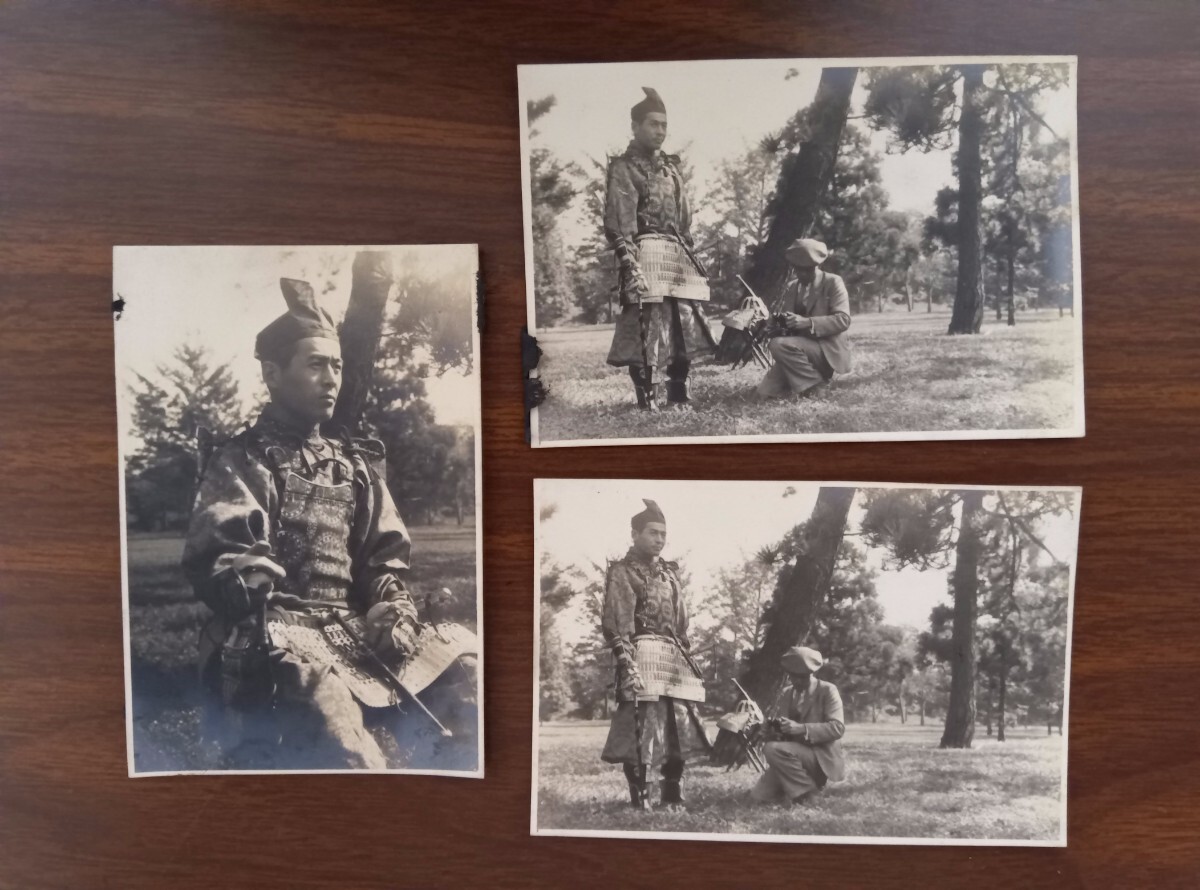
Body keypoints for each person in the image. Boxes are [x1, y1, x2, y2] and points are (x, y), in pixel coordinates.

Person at [183, 277, 421, 770]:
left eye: (336, 365)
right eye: (316, 365)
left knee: (470, 677)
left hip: (353, 630)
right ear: (272, 373)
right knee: (341, 734)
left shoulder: (353, 466)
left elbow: (382, 557)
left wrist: (389, 608)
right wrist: (250, 573)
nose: (332, 379)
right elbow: (221, 558)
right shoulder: (242, 459)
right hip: (275, 635)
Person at [604, 87, 716, 411]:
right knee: (646, 325)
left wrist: (689, 254)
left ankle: (678, 394)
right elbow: (619, 221)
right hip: (645, 252)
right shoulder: (624, 168)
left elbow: (684, 219)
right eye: (653, 124)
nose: (660, 131)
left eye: (664, 125)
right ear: (635, 127)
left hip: (676, 252)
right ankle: (647, 398)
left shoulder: (671, 169)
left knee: (684, 324)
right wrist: (630, 263)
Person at [601, 499, 710, 808]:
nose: (659, 539)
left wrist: (685, 656)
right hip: (641, 654)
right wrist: (626, 661)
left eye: (663, 533)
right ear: (635, 534)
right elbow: (617, 620)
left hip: (672, 656)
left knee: (679, 724)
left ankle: (673, 792)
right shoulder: (623, 572)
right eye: (652, 532)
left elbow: (681, 621)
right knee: (642, 726)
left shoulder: (670, 575)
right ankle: (641, 795)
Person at [755, 238, 852, 399]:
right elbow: (790, 323)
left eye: (808, 270)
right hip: (798, 350)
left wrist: (808, 322)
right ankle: (799, 382)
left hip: (827, 351)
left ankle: (816, 384)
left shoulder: (833, 282)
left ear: (818, 265)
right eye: (798, 270)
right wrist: (776, 326)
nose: (803, 274)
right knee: (764, 394)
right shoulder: (792, 286)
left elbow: (843, 320)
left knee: (778, 345)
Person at [751, 646, 846, 805]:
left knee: (772, 749)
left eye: (803, 677)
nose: (798, 681)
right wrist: (770, 731)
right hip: (792, 757)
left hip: (820, 758)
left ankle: (808, 792)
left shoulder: (828, 690)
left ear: (813, 673)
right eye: (793, 676)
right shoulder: (786, 693)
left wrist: (802, 728)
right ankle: (791, 788)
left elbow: (837, 728)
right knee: (758, 798)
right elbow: (783, 734)